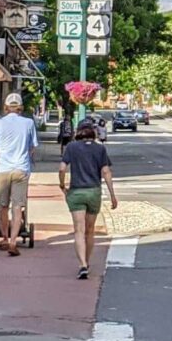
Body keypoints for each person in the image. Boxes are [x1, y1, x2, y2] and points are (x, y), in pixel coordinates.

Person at [59, 118, 118, 280]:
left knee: (79, 229)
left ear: (78, 132)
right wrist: (112, 194)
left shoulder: (71, 148)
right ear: (93, 132)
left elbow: (62, 168)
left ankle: (82, 264)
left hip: (76, 191)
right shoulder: (100, 149)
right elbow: (106, 172)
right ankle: (88, 261)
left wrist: (62, 184)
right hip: (94, 191)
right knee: (90, 230)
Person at [0, 92, 40, 257]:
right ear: (20, 107)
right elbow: (33, 146)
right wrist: (27, 155)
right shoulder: (28, 123)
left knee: (3, 205)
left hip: (3, 169)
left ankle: (3, 237)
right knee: (18, 207)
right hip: (21, 169)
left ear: (6, 107)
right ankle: (13, 241)